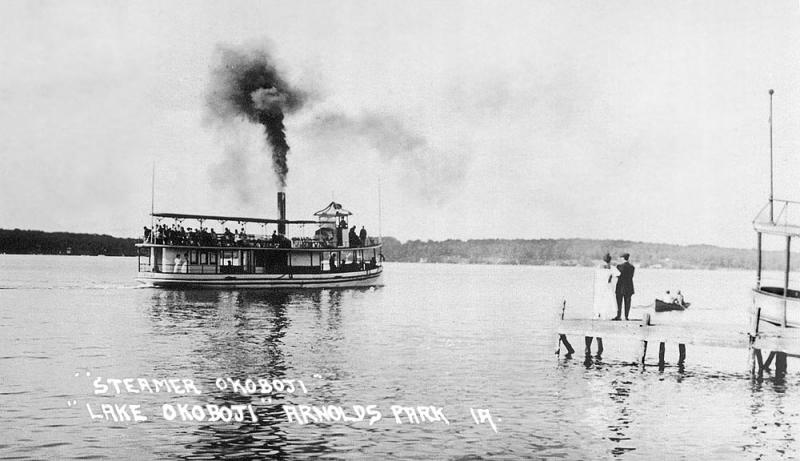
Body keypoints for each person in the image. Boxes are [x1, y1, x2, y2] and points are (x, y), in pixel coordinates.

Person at [593, 252, 619, 319]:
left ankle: (597, 313)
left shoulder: (598, 267)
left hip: (599, 285)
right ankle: (605, 314)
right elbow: (618, 275)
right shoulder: (611, 267)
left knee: (599, 299)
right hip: (607, 285)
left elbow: (596, 276)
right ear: (610, 260)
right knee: (608, 300)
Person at [613, 253, 635, 321]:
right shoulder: (632, 267)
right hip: (629, 286)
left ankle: (618, 316)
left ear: (623, 258)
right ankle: (626, 316)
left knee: (619, 302)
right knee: (627, 303)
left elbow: (616, 275)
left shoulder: (619, 266)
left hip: (620, 286)